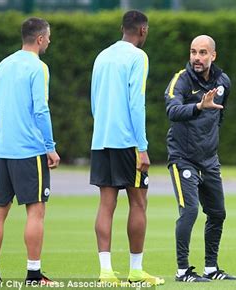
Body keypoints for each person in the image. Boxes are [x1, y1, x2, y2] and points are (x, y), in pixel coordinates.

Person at [90, 10, 164, 286]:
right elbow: (136, 103)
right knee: (138, 202)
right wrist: (142, 147)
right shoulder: (138, 57)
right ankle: (135, 270)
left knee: (106, 205)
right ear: (143, 31)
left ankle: (106, 272)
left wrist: (102, 129)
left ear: (123, 28)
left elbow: (95, 101)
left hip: (101, 140)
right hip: (127, 143)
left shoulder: (102, 56)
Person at [0, 17, 60, 284]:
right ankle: (33, 274)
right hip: (30, 151)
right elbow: (41, 110)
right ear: (40, 39)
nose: (49, 41)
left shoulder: (3, 65)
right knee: (36, 211)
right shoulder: (38, 68)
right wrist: (50, 147)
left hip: (4, 151)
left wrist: (3, 137)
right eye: (48, 37)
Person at [164, 35, 236, 282]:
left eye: (203, 53)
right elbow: (172, 111)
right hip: (183, 158)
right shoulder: (181, 80)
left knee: (218, 213)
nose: (197, 57)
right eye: (193, 52)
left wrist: (210, 141)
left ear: (213, 55)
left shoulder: (222, 81)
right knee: (190, 212)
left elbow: (220, 115)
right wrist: (198, 106)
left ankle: (211, 268)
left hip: (209, 159)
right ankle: (183, 271)